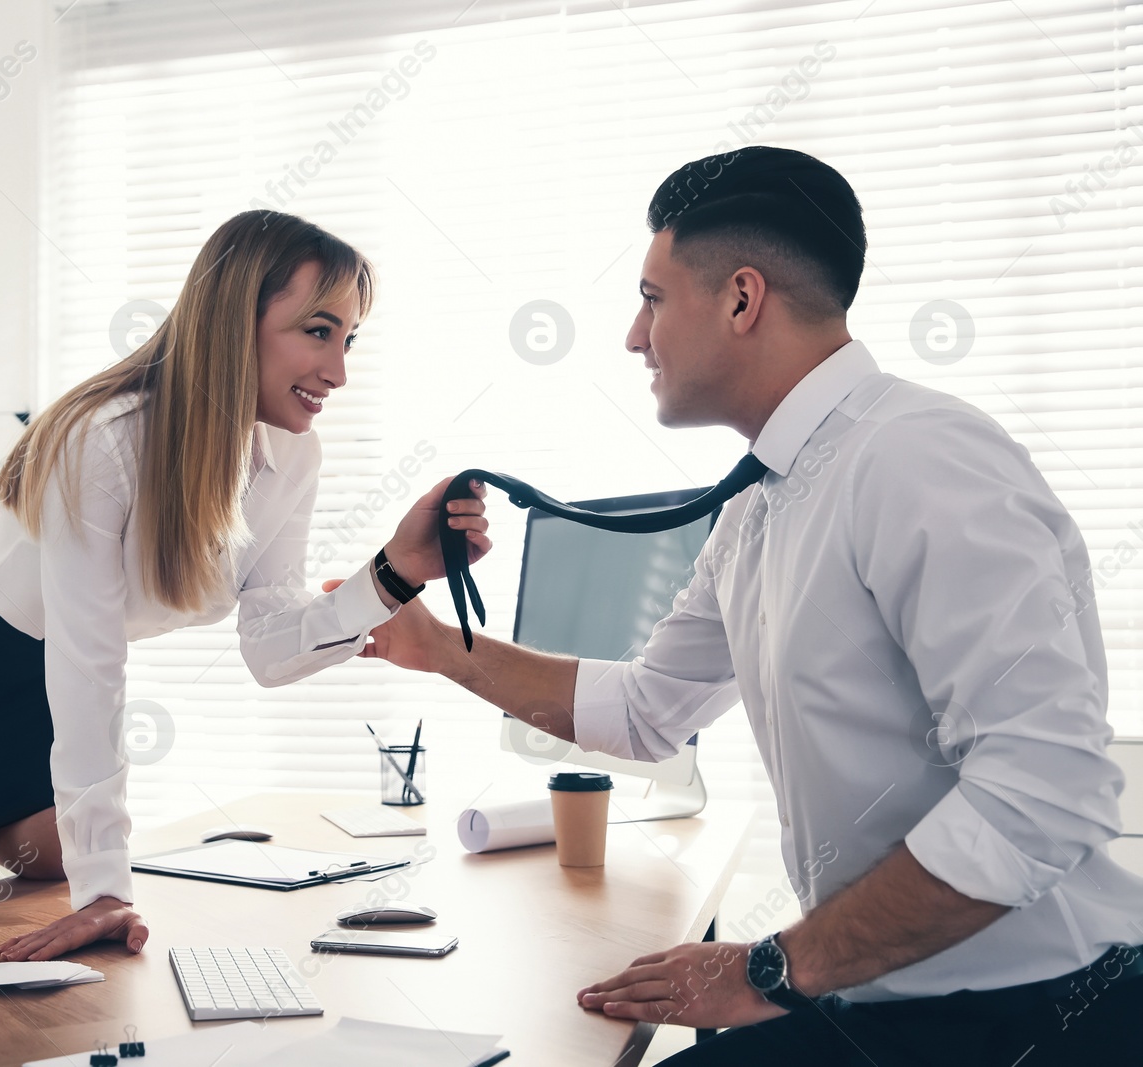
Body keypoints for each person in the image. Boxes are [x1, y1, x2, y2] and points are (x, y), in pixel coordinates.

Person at [349, 147, 1143, 1063]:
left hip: (1031, 1019)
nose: (633, 337)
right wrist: (439, 646)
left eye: (651, 298)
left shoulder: (921, 458)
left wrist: (771, 968)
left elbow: (1042, 797)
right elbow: (651, 709)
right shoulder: (761, 501)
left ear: (740, 299)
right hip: (891, 1005)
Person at [0, 210, 490, 968]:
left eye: (349, 339)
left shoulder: (292, 457)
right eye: (318, 331)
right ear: (231, 319)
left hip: (33, 658)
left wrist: (394, 572)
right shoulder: (104, 439)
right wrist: (106, 895)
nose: (339, 370)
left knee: (50, 866)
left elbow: (270, 646)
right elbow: (91, 664)